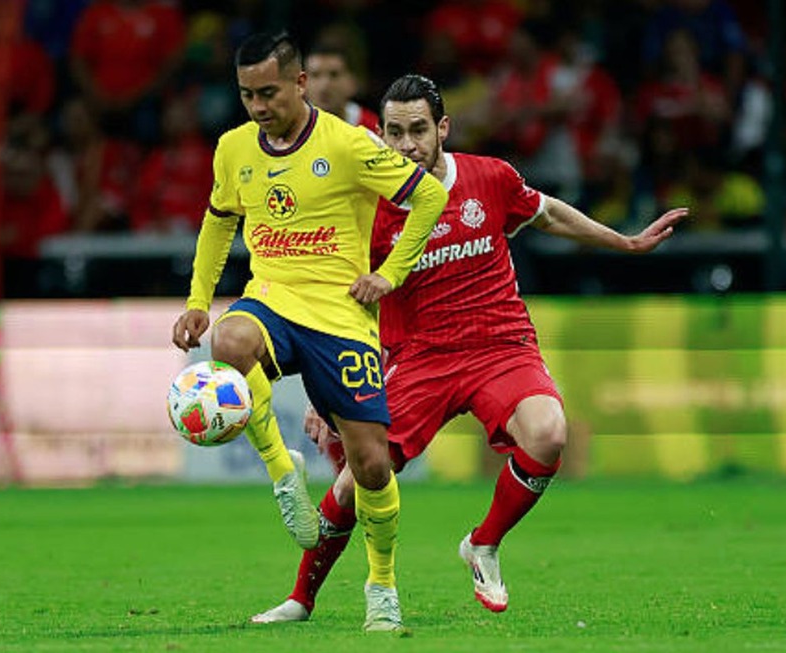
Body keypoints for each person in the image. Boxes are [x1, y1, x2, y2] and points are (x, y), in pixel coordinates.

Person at [250, 74, 687, 623]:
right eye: (393, 133)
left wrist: (624, 241)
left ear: (442, 129)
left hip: (500, 346)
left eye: (418, 130)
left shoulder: (489, 178)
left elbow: (548, 212)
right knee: (362, 476)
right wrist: (324, 393)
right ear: (379, 135)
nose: (406, 145)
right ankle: (301, 598)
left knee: (549, 433)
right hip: (419, 359)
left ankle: (483, 543)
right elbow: (344, 307)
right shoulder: (367, 210)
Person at [170, 34, 449, 632]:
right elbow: (219, 223)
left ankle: (382, 585)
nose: (257, 106)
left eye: (268, 92)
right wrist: (198, 301)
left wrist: (390, 274)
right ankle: (283, 471)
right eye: (246, 95)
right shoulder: (233, 149)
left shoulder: (350, 145)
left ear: (299, 84)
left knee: (372, 465)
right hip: (271, 298)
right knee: (227, 343)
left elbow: (428, 195)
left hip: (341, 317)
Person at [304, 42, 380, 133]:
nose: (324, 85)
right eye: (315, 75)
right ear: (301, 83)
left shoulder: (374, 128)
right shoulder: (290, 127)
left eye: (334, 75)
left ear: (352, 82)